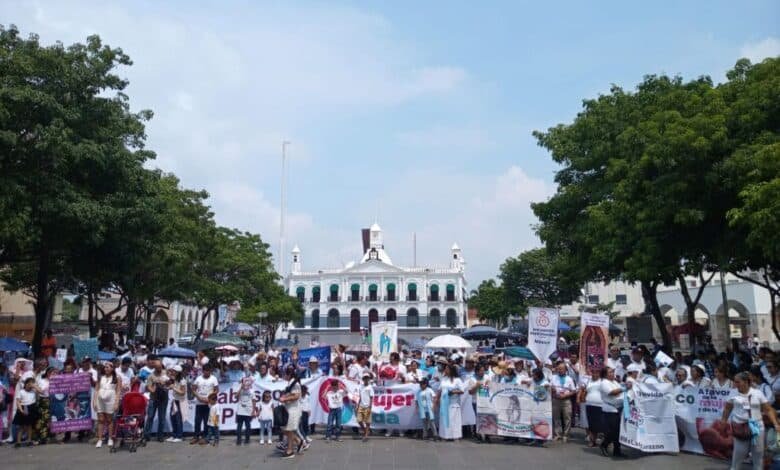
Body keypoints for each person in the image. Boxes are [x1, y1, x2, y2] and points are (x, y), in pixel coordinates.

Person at [722, 371, 780, 470]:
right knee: (739, 455)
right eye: (735, 382)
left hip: (757, 428)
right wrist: (723, 421)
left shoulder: (758, 393)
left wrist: (776, 424)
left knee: (758, 455)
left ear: (746, 382)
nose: (735, 384)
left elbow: (768, 409)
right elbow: (727, 408)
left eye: (737, 382)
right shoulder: (733, 393)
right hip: (740, 428)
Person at [94, 362, 121, 448]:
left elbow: (118, 391)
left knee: (110, 420)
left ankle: (110, 438)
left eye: (108, 367)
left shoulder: (117, 378)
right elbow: (96, 390)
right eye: (105, 367)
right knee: (100, 419)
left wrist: (116, 402)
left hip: (111, 400)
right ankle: (100, 439)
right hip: (100, 400)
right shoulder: (101, 377)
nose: (106, 369)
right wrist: (94, 401)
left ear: (112, 368)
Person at [599, 367, 625, 458]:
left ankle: (617, 451)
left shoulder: (614, 382)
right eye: (610, 372)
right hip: (610, 409)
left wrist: (622, 389)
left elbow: (620, 391)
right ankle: (604, 444)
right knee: (613, 431)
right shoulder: (604, 383)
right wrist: (624, 388)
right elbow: (612, 392)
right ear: (605, 374)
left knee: (618, 431)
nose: (612, 373)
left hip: (618, 408)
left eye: (613, 372)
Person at [278, 365, 302, 459]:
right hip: (288, 408)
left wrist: (284, 398)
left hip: (293, 409)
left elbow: (296, 396)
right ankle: (299, 442)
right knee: (284, 428)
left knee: (289, 429)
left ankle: (290, 450)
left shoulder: (294, 383)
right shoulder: (290, 383)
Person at [191, 365, 218, 445]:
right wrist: (198, 397)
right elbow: (193, 389)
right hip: (199, 403)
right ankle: (196, 437)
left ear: (210, 371)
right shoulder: (198, 379)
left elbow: (217, 390)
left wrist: (210, 398)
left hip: (208, 403)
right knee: (197, 421)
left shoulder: (214, 379)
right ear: (203, 371)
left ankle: (205, 437)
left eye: (208, 370)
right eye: (205, 370)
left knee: (207, 421)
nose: (207, 372)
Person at [144, 362, 170, 442]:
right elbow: (148, 387)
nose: (159, 369)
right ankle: (147, 435)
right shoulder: (151, 376)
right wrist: (155, 387)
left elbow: (170, 384)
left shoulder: (166, 373)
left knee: (162, 417)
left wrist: (165, 385)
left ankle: (160, 436)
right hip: (154, 398)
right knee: (150, 416)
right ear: (154, 368)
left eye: (160, 367)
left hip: (163, 398)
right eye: (157, 368)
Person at [438, 364, 464, 440]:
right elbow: (439, 390)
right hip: (444, 403)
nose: (445, 370)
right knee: (444, 420)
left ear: (451, 370)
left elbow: (462, 390)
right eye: (445, 369)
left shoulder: (457, 380)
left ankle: (455, 436)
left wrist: (454, 392)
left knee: (453, 420)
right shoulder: (443, 379)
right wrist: (436, 400)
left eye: (447, 369)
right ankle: (444, 436)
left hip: (453, 403)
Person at [551, 362, 576, 442]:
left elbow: (573, 391)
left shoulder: (569, 379)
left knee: (567, 418)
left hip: (566, 400)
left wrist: (565, 395)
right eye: (559, 369)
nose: (560, 370)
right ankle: (557, 434)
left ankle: (566, 435)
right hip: (556, 400)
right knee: (556, 418)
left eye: (562, 369)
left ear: (566, 370)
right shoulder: (553, 377)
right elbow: (549, 387)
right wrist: (553, 390)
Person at [13, 377, 39, 448]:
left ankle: (29, 441)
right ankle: (18, 442)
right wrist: (21, 410)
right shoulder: (21, 391)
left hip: (31, 408)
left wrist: (35, 386)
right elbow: (18, 402)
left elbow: (41, 391)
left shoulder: (33, 391)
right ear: (26, 384)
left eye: (32, 383)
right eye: (29, 383)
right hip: (23, 407)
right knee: (21, 426)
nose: (31, 385)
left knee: (29, 426)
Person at [581, 370, 603, 447]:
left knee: (598, 424)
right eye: (593, 372)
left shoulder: (602, 381)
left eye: (597, 373)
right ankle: (592, 440)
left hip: (600, 405)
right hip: (589, 404)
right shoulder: (588, 381)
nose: (595, 374)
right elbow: (585, 391)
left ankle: (598, 439)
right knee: (590, 424)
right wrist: (583, 399)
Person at [33, 366, 55, 444]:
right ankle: (39, 437)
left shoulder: (56, 381)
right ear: (48, 373)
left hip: (52, 401)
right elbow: (39, 390)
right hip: (43, 401)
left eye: (55, 373)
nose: (54, 375)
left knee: (49, 419)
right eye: (53, 373)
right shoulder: (42, 380)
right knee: (42, 419)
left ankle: (46, 436)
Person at [167, 365, 186, 443]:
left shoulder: (182, 380)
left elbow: (182, 392)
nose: (172, 372)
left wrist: (173, 388)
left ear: (178, 372)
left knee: (178, 419)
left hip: (180, 402)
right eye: (172, 371)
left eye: (174, 371)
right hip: (174, 400)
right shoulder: (175, 379)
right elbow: (168, 374)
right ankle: (174, 435)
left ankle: (179, 436)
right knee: (173, 418)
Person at [356, 374, 374, 442]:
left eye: (367, 378)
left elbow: (371, 398)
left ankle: (366, 435)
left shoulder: (370, 387)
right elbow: (360, 397)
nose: (366, 379)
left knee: (367, 422)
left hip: (367, 406)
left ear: (369, 379)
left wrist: (370, 407)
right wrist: (357, 405)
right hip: (361, 405)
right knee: (359, 420)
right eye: (364, 378)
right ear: (363, 379)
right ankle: (365, 431)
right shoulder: (360, 387)